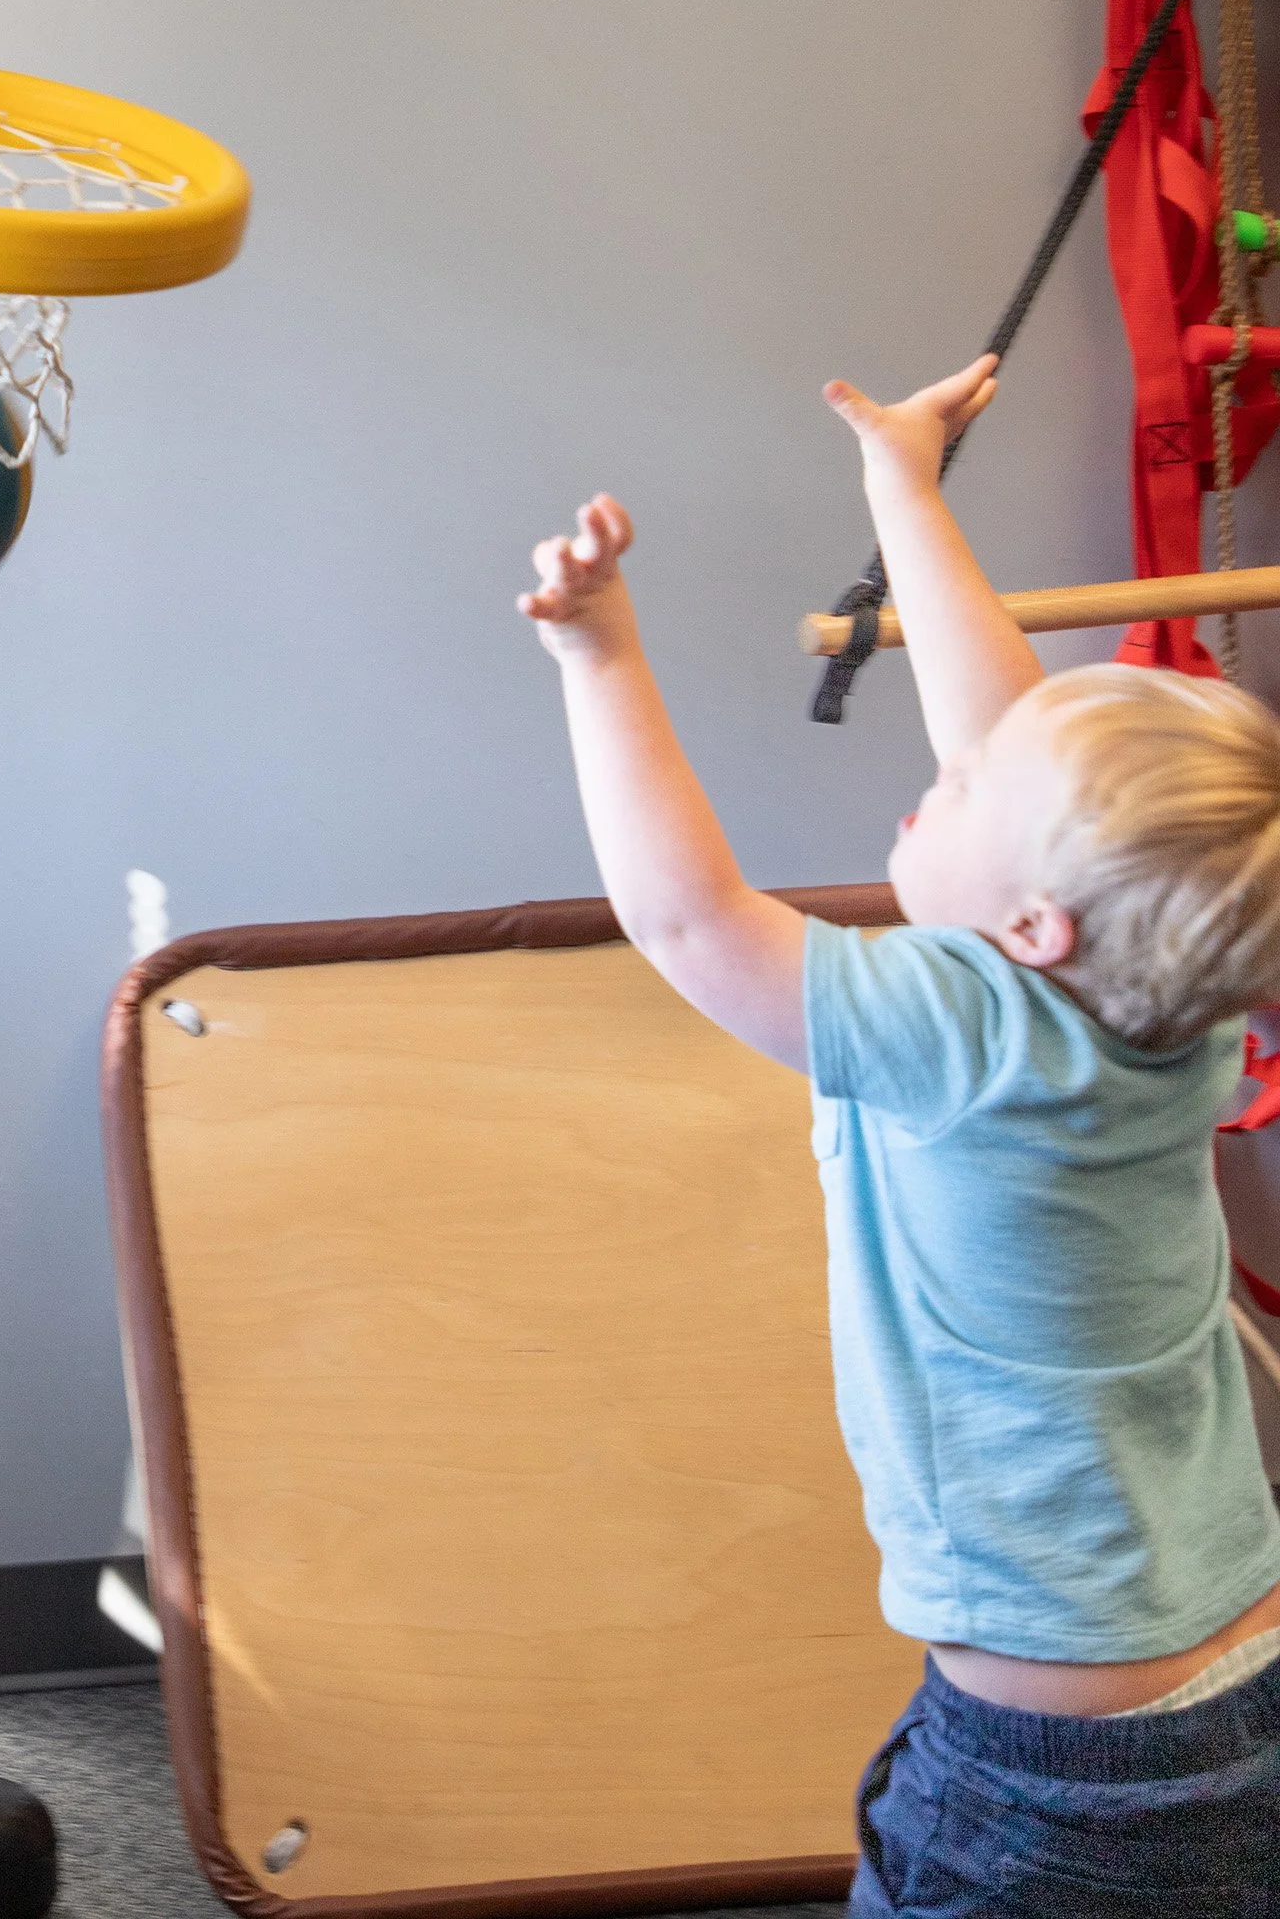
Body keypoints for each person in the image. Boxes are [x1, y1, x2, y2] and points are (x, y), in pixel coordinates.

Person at [521, 354, 1280, 1917]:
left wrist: (600, 654)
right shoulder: (1174, 1008)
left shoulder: (967, 1031)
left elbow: (686, 920)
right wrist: (903, 489)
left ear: (1033, 925)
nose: (943, 774)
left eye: (963, 794)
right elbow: (1004, 741)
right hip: (1240, 1670)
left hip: (1051, 1774)